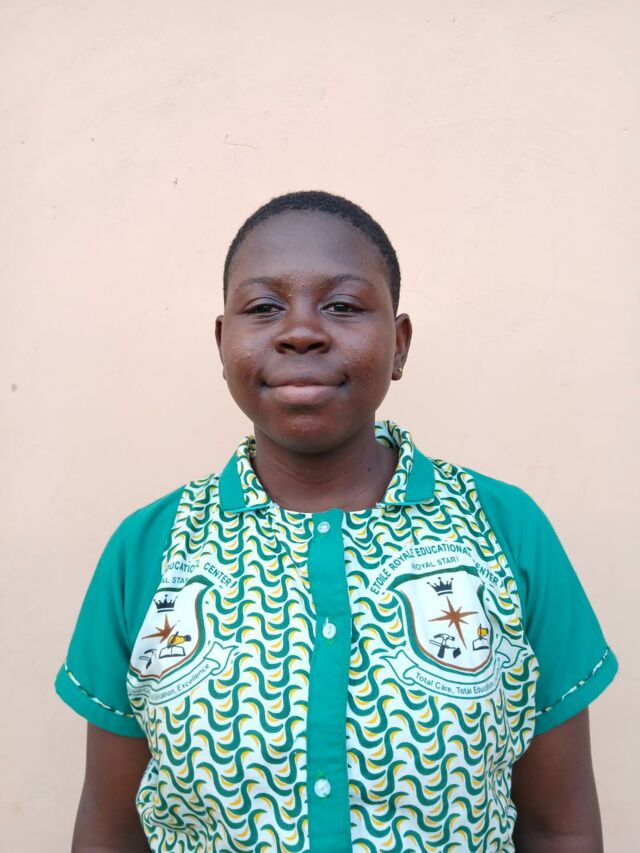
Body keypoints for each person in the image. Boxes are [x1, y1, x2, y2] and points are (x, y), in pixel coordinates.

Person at [56, 190, 618, 853]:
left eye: (343, 306)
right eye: (264, 307)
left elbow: (559, 827)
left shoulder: (504, 530)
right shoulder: (150, 549)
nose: (301, 332)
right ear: (222, 342)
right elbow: (111, 832)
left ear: (399, 345)